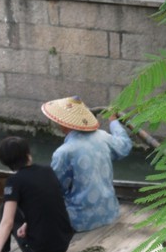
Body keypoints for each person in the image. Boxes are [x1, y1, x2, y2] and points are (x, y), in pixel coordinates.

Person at [0, 136, 74, 252]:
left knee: (5, 210)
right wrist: (26, 224)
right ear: (28, 154)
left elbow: (7, 223)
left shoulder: (14, 181)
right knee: (10, 209)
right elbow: (48, 204)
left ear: (6, 162)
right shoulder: (47, 170)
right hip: (63, 243)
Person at [41, 96, 132, 232]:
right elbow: (125, 146)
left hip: (79, 220)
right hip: (110, 212)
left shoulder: (64, 152)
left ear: (64, 124)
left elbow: (55, 189)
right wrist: (114, 122)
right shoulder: (103, 137)